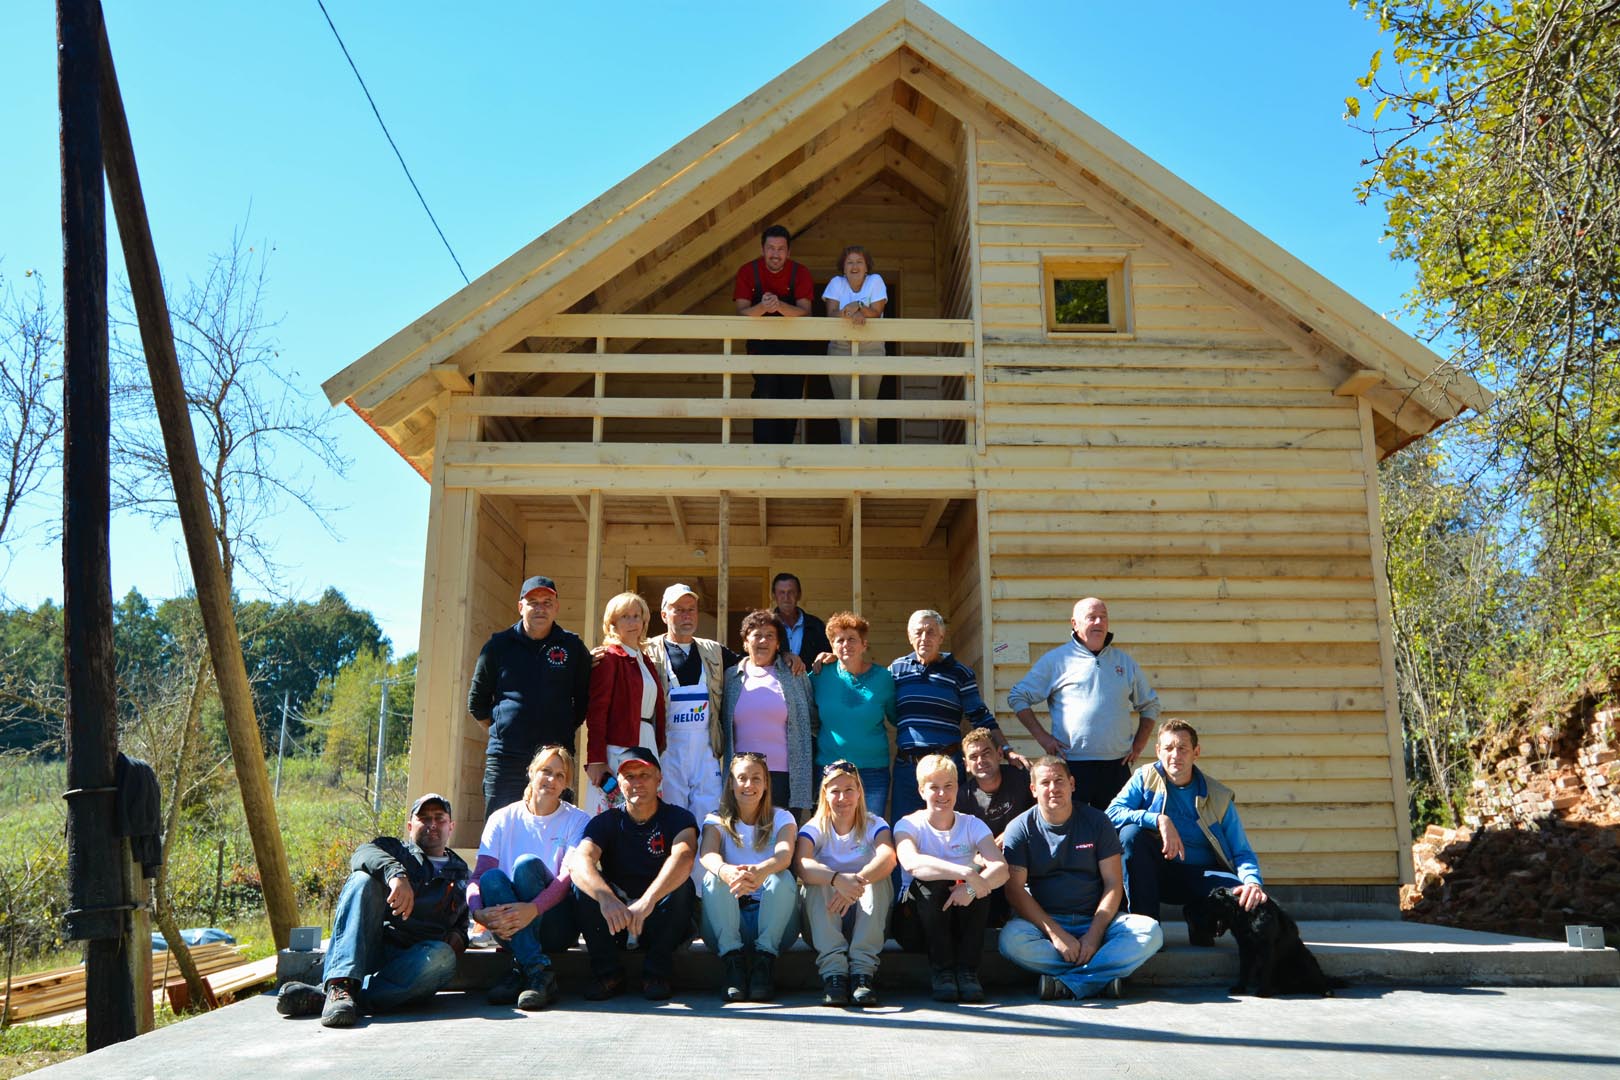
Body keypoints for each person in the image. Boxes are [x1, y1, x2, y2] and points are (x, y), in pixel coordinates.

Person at [276, 794, 468, 1027]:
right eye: (424, 818)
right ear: (410, 826)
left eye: (439, 818)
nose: (432, 824)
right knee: (362, 879)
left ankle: (341, 998)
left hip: (413, 961)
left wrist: (457, 939)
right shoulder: (394, 850)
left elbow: (461, 925)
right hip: (374, 948)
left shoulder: (461, 873)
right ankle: (340, 985)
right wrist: (395, 874)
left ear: (451, 826)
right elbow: (362, 853)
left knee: (443, 957)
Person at [998, 758, 1163, 1000]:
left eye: (1059, 780)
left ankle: (1068, 983)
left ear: (1072, 784)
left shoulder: (1097, 821)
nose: (1053, 788)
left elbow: (1113, 883)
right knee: (1010, 940)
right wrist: (1057, 935)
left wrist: (1094, 935)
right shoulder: (1020, 828)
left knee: (1150, 931)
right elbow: (1014, 891)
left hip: (1096, 920)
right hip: (1045, 924)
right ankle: (1100, 977)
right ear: (1033, 789)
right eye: (1045, 782)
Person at [1105, 719, 1267, 933]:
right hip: (1158, 874)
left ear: (1196, 752)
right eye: (1168, 748)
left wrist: (1253, 883)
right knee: (1130, 834)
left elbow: (1241, 851)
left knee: (1248, 899)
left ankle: (1200, 918)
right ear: (1158, 751)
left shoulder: (1218, 797)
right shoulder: (1144, 778)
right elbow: (1111, 814)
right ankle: (1147, 932)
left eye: (1182, 748)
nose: (1175, 755)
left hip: (1204, 876)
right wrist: (1158, 819)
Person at [1007, 597, 1161, 811]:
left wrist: (1139, 745)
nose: (1099, 622)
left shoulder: (1124, 662)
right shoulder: (1057, 660)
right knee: (1073, 827)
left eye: (1103, 617)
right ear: (1074, 623)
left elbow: (1150, 704)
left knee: (1115, 828)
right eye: (1091, 617)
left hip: (1116, 765)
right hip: (1072, 765)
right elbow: (1018, 697)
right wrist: (1043, 738)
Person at [467, 744, 590, 1010]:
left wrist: (532, 909)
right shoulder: (501, 818)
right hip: (508, 926)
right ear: (532, 772)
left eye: (560, 775)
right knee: (491, 879)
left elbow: (567, 878)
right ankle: (536, 970)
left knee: (526, 865)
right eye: (546, 771)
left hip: (556, 924)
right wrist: (478, 913)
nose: (552, 780)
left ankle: (520, 968)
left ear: (566, 784)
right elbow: (477, 878)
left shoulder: (578, 820)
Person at [570, 749, 697, 1001]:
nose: (637, 782)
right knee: (582, 886)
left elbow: (684, 857)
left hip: (658, 918)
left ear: (659, 778)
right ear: (619, 782)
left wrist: (647, 901)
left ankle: (657, 974)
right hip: (616, 919)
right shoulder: (606, 821)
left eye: (644, 775)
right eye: (629, 776)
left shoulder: (679, 818)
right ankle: (608, 974)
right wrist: (606, 899)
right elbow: (579, 862)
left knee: (684, 887)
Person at [468, 575, 592, 819]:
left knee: (554, 829)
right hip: (506, 760)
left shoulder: (573, 647)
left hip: (555, 762)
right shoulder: (497, 646)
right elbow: (477, 702)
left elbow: (583, 702)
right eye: (533, 602)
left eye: (547, 602)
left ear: (556, 607)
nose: (540, 608)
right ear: (520, 607)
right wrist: (504, 730)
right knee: (502, 826)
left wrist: (560, 729)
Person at [893, 755, 1008, 1003]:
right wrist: (965, 873)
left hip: (960, 919)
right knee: (935, 880)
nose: (942, 794)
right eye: (934, 787)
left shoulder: (972, 824)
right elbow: (911, 863)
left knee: (981, 884)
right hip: (916, 924)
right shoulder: (908, 824)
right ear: (921, 791)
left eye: (948, 786)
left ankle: (967, 972)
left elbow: (1001, 869)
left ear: (957, 788)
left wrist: (971, 888)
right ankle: (942, 971)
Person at [888, 609, 1022, 821]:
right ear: (909, 636)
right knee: (904, 828)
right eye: (918, 632)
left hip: (947, 764)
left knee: (951, 827)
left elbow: (980, 717)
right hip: (908, 768)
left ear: (941, 637)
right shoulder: (896, 670)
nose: (924, 638)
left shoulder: (960, 673)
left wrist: (1006, 749)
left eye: (931, 632)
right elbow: (872, 694)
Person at [699, 752, 800, 1002]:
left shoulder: (782, 817)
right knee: (714, 877)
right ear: (731, 783)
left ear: (766, 784)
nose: (749, 784)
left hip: (773, 924)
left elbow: (785, 856)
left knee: (782, 878)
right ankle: (733, 966)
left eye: (756, 778)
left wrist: (760, 871)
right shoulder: (716, 819)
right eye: (742, 778)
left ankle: (763, 965)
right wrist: (727, 871)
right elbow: (707, 855)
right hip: (729, 922)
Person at [794, 760, 897, 1007]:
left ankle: (862, 973)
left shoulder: (874, 824)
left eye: (849, 789)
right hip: (824, 919)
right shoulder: (814, 827)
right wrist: (837, 879)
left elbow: (888, 858)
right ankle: (834, 975)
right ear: (825, 794)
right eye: (835, 791)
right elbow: (801, 864)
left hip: (868, 920)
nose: (842, 798)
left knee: (878, 879)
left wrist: (855, 884)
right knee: (817, 880)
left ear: (859, 791)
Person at [644, 584, 732, 837]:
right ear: (664, 615)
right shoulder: (646, 651)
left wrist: (787, 657)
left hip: (706, 755)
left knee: (710, 824)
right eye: (679, 610)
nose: (686, 615)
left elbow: (753, 662)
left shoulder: (714, 651)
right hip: (667, 754)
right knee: (670, 823)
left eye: (691, 609)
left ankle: (707, 864)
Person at [721, 609, 816, 815]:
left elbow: (814, 719)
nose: (763, 640)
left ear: (778, 643)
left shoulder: (794, 674)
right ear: (745, 642)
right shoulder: (730, 677)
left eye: (770, 635)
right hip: (743, 776)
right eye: (757, 635)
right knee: (744, 832)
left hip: (785, 777)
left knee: (783, 831)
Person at [584, 592, 667, 814]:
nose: (632, 622)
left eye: (636, 616)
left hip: (646, 743)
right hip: (617, 749)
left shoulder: (645, 660)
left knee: (646, 812)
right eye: (625, 617)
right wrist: (596, 759)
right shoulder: (609, 658)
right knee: (613, 812)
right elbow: (597, 712)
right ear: (613, 623)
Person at [809, 611, 896, 817]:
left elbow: (896, 717)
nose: (846, 644)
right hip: (830, 769)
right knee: (829, 830)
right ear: (832, 646)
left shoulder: (884, 678)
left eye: (852, 639)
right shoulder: (819, 676)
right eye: (840, 640)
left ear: (864, 645)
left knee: (870, 829)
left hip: (872, 771)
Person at [734, 224, 816, 444]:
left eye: (781, 249)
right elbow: (741, 314)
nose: (775, 254)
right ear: (762, 249)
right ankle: (763, 452)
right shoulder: (747, 272)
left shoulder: (800, 272)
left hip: (795, 345)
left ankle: (784, 452)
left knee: (791, 397)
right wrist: (763, 307)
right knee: (765, 392)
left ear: (788, 252)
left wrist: (779, 305)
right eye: (771, 248)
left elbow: (806, 313)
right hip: (761, 345)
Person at [954, 728, 1033, 928]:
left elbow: (1044, 810)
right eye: (973, 757)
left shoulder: (1021, 778)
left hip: (1026, 854)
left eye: (986, 753)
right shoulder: (963, 797)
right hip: (988, 863)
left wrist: (1013, 831)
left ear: (999, 754)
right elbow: (958, 840)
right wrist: (975, 857)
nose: (980, 760)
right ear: (966, 764)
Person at [822, 245, 889, 445]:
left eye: (859, 262)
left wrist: (858, 306)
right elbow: (831, 314)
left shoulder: (875, 281)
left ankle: (868, 453)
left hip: (872, 347)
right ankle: (848, 454)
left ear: (867, 267)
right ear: (843, 268)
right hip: (840, 347)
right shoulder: (836, 283)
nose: (854, 266)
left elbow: (876, 312)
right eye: (849, 262)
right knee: (844, 410)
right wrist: (852, 312)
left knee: (867, 409)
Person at [771, 572, 831, 665]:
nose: (786, 597)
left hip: (810, 675)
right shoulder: (766, 625)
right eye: (781, 592)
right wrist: (782, 656)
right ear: (774, 596)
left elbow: (829, 654)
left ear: (799, 595)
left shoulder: (816, 625)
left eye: (791, 592)